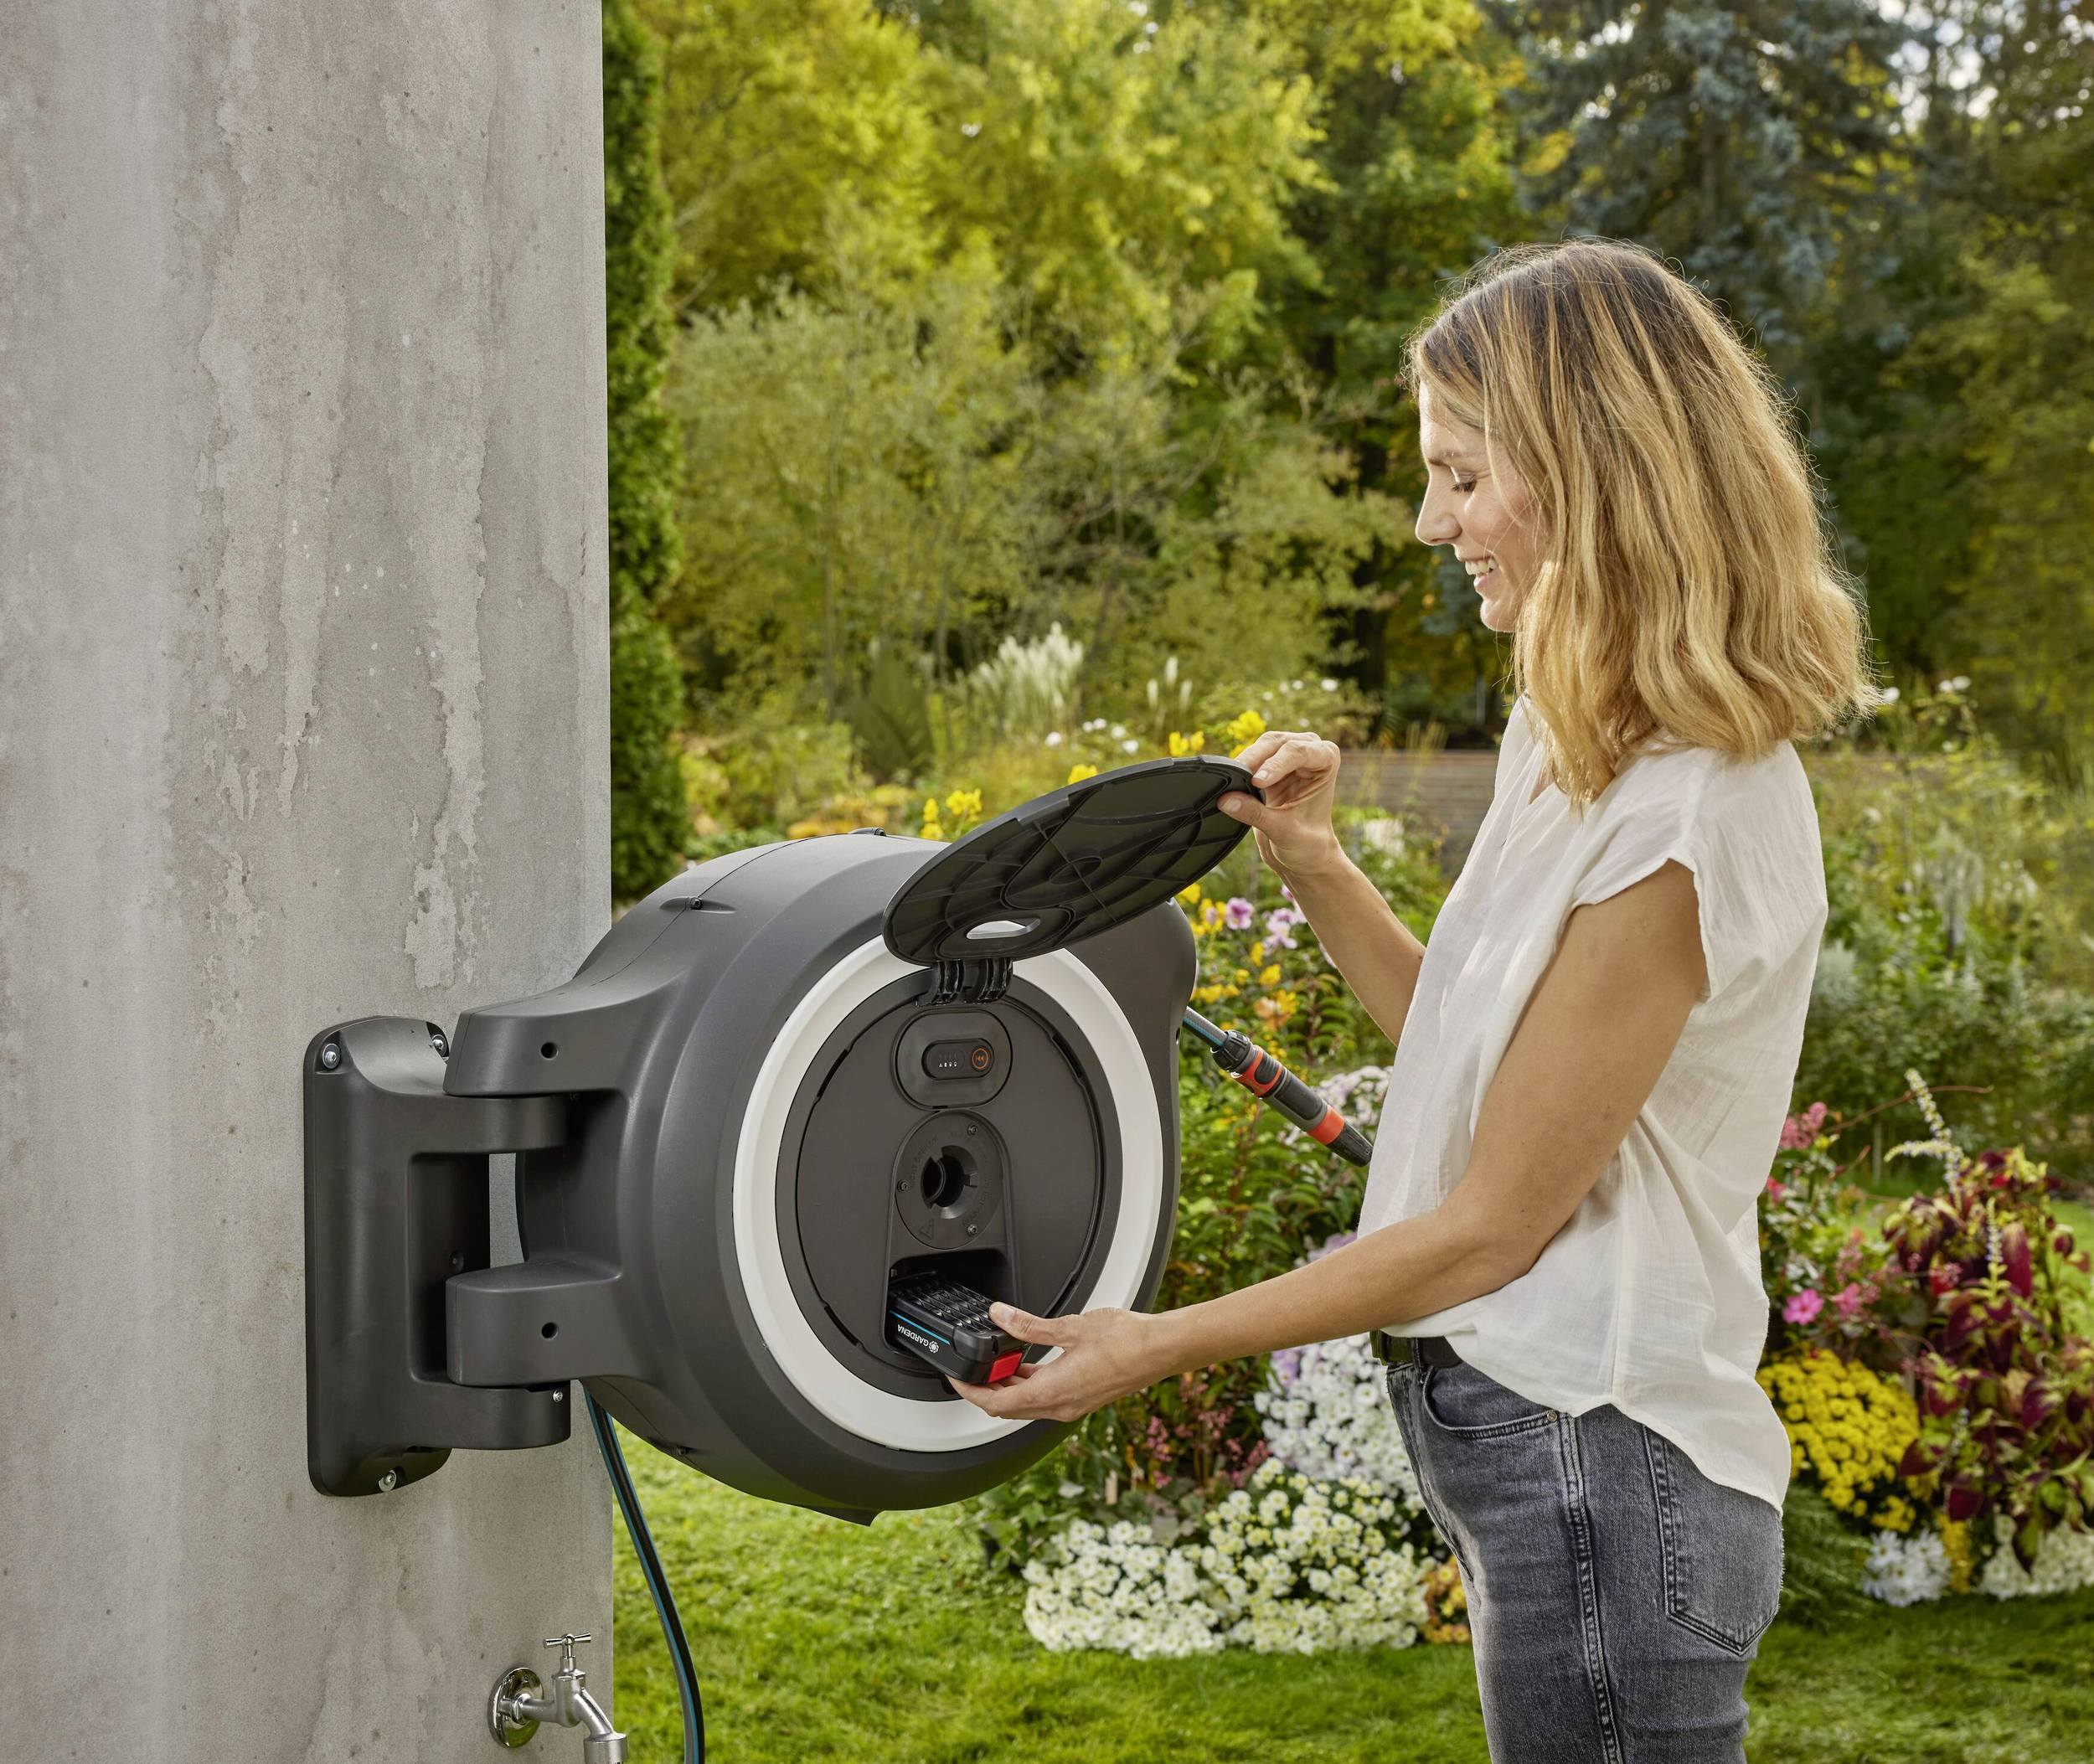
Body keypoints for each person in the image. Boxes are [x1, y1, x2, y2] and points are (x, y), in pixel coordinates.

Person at [948, 236, 1880, 1761]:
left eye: (1463, 475)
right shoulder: (1575, 740)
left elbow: (1493, 1219)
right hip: (1551, 1459)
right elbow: (1465, 1049)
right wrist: (1312, 863)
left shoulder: (1691, 812)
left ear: (1591, 473)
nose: (1430, 518)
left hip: (1608, 1471)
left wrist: (1153, 1342)